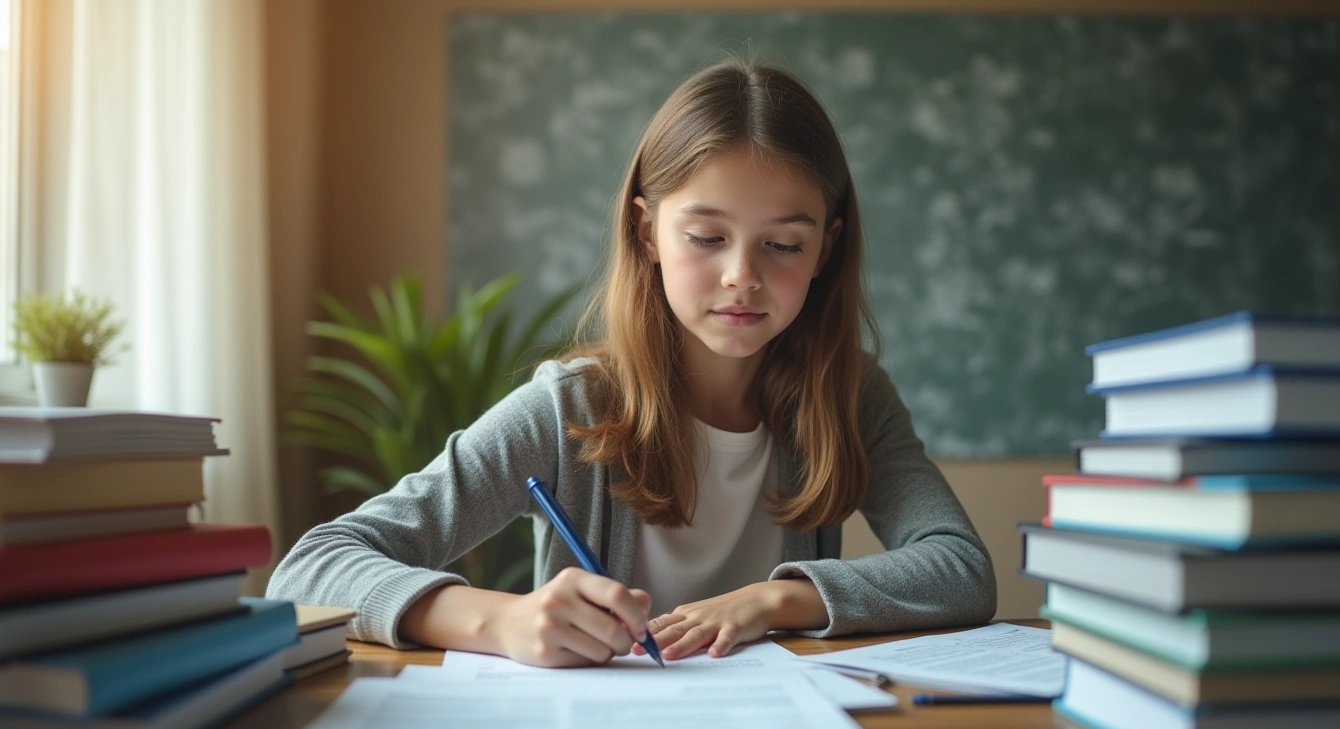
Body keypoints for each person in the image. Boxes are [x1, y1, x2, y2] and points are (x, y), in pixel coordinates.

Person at [267, 58, 996, 668]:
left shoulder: (851, 394)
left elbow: (959, 567)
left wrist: (773, 599)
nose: (742, 275)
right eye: (706, 237)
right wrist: (501, 622)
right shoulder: (571, 409)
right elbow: (310, 568)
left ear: (826, 249)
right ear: (647, 232)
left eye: (783, 245)